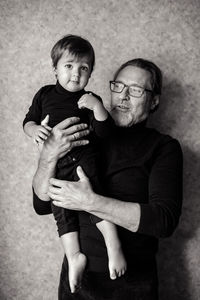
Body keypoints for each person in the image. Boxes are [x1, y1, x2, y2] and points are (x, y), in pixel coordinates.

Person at [32, 58, 183, 300]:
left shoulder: (163, 147)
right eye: (118, 86)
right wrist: (49, 156)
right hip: (77, 279)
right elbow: (41, 204)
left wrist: (89, 201)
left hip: (132, 282)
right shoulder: (83, 133)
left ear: (153, 100)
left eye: (135, 90)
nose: (123, 97)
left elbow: (163, 221)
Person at [23, 35, 127, 294]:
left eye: (84, 68)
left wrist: (98, 106)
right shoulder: (44, 94)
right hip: (57, 165)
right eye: (69, 66)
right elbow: (28, 120)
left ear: (90, 74)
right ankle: (74, 256)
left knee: (94, 199)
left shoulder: (90, 98)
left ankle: (113, 245)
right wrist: (34, 129)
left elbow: (105, 132)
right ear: (55, 69)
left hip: (83, 160)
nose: (75, 73)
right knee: (61, 210)